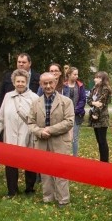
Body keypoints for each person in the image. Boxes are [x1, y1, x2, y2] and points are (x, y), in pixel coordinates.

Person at [27, 72, 74, 207]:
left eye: (50, 83)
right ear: (41, 85)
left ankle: (63, 200)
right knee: (45, 171)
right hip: (41, 142)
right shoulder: (35, 103)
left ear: (55, 83)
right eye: (45, 83)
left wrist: (50, 130)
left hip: (60, 141)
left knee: (60, 170)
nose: (48, 86)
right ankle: (48, 198)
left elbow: (69, 121)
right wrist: (40, 132)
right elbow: (30, 123)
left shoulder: (66, 102)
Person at [0, 69, 37, 197]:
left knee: (30, 163)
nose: (20, 84)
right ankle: (12, 191)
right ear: (14, 83)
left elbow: (38, 119)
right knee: (10, 164)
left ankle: (30, 189)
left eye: (23, 81)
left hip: (27, 136)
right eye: (18, 81)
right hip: (10, 135)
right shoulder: (8, 96)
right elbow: (0, 118)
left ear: (26, 82)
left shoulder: (34, 98)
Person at [61, 65, 87, 156]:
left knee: (74, 137)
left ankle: (75, 157)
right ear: (69, 75)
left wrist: (75, 110)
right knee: (64, 136)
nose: (76, 76)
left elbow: (83, 99)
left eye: (77, 74)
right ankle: (65, 155)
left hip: (76, 115)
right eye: (74, 74)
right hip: (64, 115)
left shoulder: (80, 85)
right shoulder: (63, 86)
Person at [87, 71, 112, 163]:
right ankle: (102, 161)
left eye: (97, 77)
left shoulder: (106, 89)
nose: (95, 79)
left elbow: (101, 103)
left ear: (102, 79)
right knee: (98, 140)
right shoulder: (94, 88)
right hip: (94, 116)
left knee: (102, 140)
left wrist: (96, 114)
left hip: (102, 118)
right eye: (95, 77)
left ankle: (105, 161)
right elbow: (89, 100)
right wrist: (94, 103)